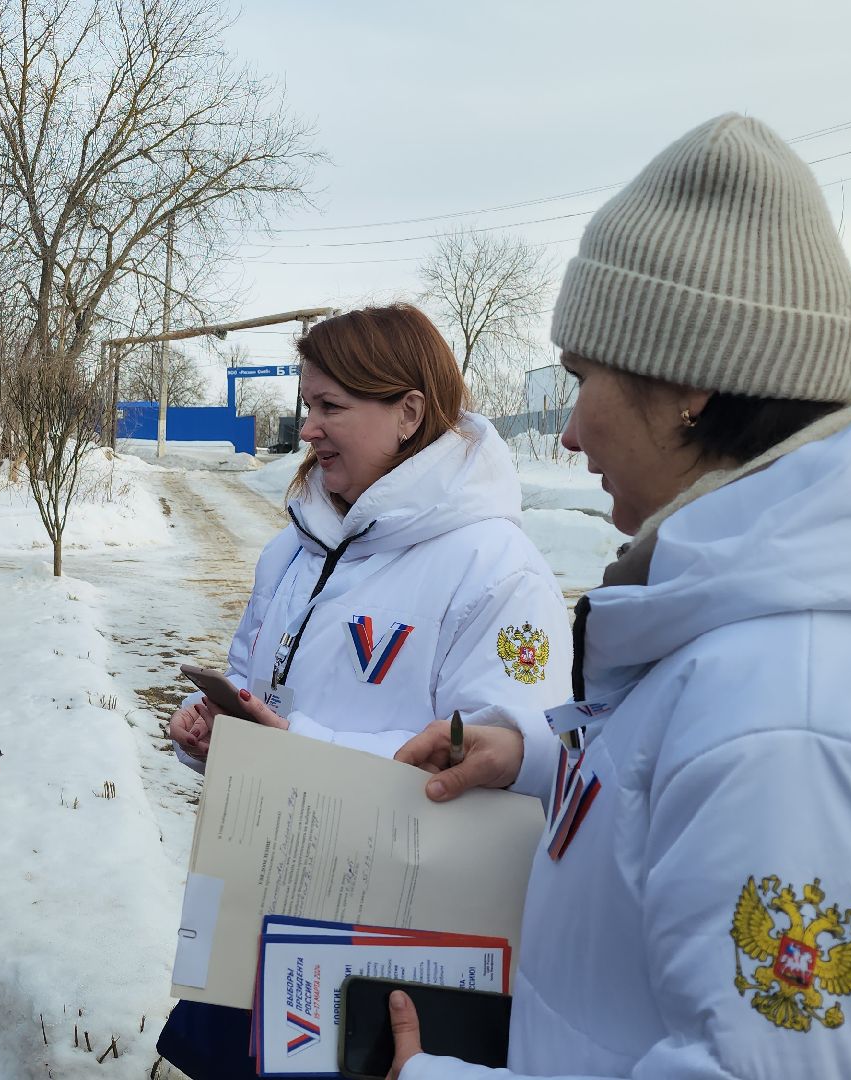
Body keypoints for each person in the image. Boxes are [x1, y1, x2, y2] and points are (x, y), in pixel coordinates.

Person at [385, 114, 851, 1079]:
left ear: (687, 381)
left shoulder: (805, 724)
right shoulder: (780, 639)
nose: (568, 433)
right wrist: (537, 766)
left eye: (583, 376)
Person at [156, 303, 572, 1079]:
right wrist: (222, 729)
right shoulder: (292, 549)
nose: (306, 429)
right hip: (263, 909)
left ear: (409, 413)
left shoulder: (495, 569)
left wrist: (297, 750)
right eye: (307, 406)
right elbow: (252, 678)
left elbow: (508, 769)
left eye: (330, 407)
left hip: (385, 953)